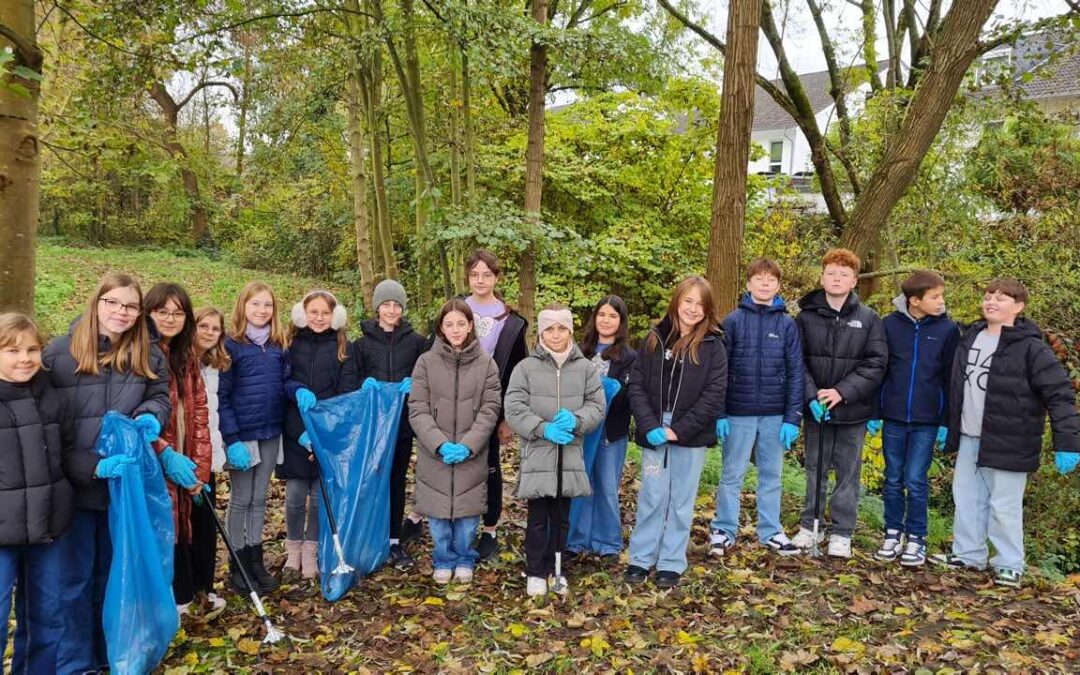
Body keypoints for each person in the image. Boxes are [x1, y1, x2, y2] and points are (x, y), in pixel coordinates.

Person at [43, 272, 171, 672]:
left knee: (115, 577)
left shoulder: (148, 355)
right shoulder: (59, 354)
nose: (121, 312)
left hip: (122, 489)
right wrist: (89, 466)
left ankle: (110, 657)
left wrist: (151, 417)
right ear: (96, 303)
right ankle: (75, 664)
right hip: (74, 488)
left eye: (130, 306)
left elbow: (159, 395)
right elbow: (47, 427)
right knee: (73, 583)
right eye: (113, 303)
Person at [932, 278, 1080, 587]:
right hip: (970, 435)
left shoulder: (1032, 348)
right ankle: (968, 554)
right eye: (988, 296)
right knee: (967, 498)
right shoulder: (969, 337)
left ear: (1019, 306)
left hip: (1011, 439)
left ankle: (1009, 563)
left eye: (1001, 298)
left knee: (1004, 505)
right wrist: (948, 423)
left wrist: (1067, 442)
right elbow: (956, 386)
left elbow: (1059, 393)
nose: (991, 302)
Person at [623, 276, 727, 589]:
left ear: (707, 309)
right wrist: (650, 425)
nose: (693, 309)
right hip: (654, 427)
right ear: (677, 302)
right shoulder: (655, 338)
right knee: (652, 496)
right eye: (688, 301)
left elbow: (714, 393)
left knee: (681, 500)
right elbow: (637, 384)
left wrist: (678, 430)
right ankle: (641, 558)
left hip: (690, 434)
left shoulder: (713, 345)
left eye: (700, 304)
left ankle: (671, 561)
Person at [0, 313, 84, 672]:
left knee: (47, 618)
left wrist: (97, 465)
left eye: (33, 349)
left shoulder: (50, 396)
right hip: (2, 532)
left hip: (48, 528)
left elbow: (66, 453)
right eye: (12, 350)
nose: (25, 359)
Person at [791, 248, 887, 557]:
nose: (836, 278)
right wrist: (812, 396)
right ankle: (810, 525)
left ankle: (842, 532)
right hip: (816, 409)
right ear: (822, 277)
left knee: (848, 472)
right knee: (815, 468)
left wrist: (841, 392)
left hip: (852, 410)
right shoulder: (805, 317)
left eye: (843, 274)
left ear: (854, 281)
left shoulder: (869, 319)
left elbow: (875, 364)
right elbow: (796, 362)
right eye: (831, 273)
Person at [505, 304, 605, 597]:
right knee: (538, 517)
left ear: (571, 331)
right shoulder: (525, 368)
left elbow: (597, 406)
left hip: (569, 454)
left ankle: (556, 566)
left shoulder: (585, 368)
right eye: (550, 328)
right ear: (541, 332)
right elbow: (513, 408)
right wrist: (541, 427)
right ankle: (536, 569)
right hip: (538, 454)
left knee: (562, 516)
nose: (556, 334)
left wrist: (576, 419)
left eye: (562, 328)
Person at [709, 258, 805, 558]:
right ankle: (723, 530)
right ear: (748, 283)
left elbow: (796, 372)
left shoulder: (788, 324)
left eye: (771, 279)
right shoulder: (733, 321)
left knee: (771, 474)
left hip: (775, 415)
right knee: (732, 474)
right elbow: (719, 371)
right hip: (738, 412)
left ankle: (771, 530)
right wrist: (720, 413)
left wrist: (793, 417)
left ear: (778, 286)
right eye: (759, 278)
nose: (765, 284)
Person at [408, 299, 502, 584]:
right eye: (449, 324)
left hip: (470, 452)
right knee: (437, 517)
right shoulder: (426, 362)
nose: (455, 329)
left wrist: (469, 444)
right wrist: (438, 443)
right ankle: (442, 557)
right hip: (434, 453)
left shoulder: (487, 364)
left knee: (467, 516)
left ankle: (464, 556)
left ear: (471, 325)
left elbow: (490, 409)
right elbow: (418, 408)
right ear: (441, 327)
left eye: (461, 323)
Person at [869, 270, 960, 567]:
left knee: (916, 479)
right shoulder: (889, 326)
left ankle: (917, 538)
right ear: (914, 300)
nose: (941, 301)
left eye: (941, 296)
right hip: (893, 417)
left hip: (927, 419)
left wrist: (947, 420)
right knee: (893, 478)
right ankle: (892, 533)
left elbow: (950, 378)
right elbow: (879, 370)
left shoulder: (948, 330)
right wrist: (875, 412)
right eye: (935, 297)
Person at [219, 281, 299, 594]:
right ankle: (236, 563)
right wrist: (232, 437)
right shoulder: (232, 346)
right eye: (255, 304)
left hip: (270, 431)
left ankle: (255, 558)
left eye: (267, 305)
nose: (261, 310)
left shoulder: (280, 345)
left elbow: (285, 382)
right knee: (241, 498)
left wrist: (299, 391)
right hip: (241, 435)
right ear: (243, 307)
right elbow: (223, 396)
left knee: (259, 498)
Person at [144, 283, 216, 614]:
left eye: (178, 312)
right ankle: (167, 606)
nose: (171, 319)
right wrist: (163, 451)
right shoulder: (142, 356)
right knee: (164, 530)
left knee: (187, 529)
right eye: (163, 312)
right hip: (155, 461)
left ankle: (185, 601)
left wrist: (200, 470)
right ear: (148, 313)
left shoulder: (186, 356)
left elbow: (200, 415)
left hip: (187, 458)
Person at [281, 290, 360, 581]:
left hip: (326, 436)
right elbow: (283, 387)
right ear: (302, 314)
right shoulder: (290, 345)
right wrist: (301, 433)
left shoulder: (343, 348)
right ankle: (293, 551)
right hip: (295, 432)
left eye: (324, 313)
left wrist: (324, 435)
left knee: (318, 497)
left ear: (334, 316)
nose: (318, 318)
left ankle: (311, 552)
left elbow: (346, 394)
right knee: (294, 495)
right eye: (313, 312)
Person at [353, 279, 428, 570]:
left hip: (402, 426)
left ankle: (394, 541)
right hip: (372, 427)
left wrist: (416, 384)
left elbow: (427, 376)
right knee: (373, 481)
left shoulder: (417, 343)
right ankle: (372, 538)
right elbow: (350, 378)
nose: (392, 309)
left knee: (397, 481)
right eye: (386, 304)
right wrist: (363, 384)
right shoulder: (361, 344)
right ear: (377, 308)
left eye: (397, 305)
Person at [463, 250, 529, 561]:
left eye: (486, 275)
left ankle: (489, 529)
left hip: (491, 405)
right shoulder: (456, 310)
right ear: (468, 277)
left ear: (496, 278)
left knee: (489, 466)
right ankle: (457, 522)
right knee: (459, 464)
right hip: (456, 404)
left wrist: (507, 418)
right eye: (475, 274)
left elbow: (517, 372)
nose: (480, 280)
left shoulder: (511, 321)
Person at [565, 295, 637, 560]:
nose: (606, 321)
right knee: (581, 484)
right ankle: (576, 540)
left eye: (613, 316)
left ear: (621, 322)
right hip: (580, 431)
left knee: (607, 485)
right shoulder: (578, 351)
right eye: (602, 315)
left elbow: (631, 395)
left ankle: (607, 542)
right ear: (595, 318)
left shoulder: (629, 357)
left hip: (610, 432)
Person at [192, 306, 231, 610]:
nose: (208, 332)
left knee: (207, 527)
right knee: (185, 530)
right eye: (203, 326)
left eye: (215, 328)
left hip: (209, 457)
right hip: (183, 458)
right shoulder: (180, 363)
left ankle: (205, 587)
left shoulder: (215, 365)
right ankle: (184, 592)